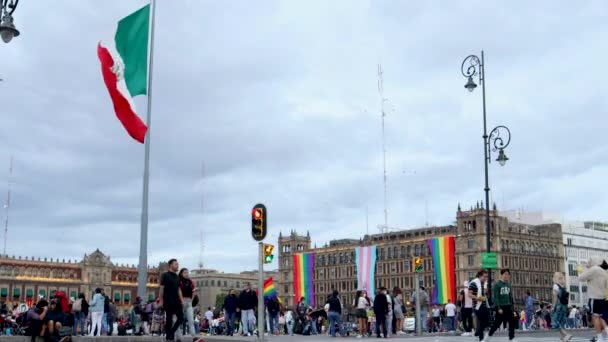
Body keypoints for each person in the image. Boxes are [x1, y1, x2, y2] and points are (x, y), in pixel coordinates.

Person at [578, 257, 608, 342]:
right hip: (603, 297)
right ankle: (604, 336)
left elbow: (581, 278)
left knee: (595, 317)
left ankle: (600, 338)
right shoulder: (604, 271)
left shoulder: (594, 269)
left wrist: (583, 267)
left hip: (594, 297)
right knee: (602, 318)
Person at [486, 269, 516, 341]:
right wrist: (498, 308)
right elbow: (496, 297)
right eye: (505, 274)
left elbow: (510, 296)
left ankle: (511, 338)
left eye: (508, 274)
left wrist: (512, 306)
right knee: (497, 324)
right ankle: (488, 337)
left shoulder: (508, 284)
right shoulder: (497, 284)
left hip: (508, 306)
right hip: (501, 307)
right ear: (501, 274)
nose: (506, 276)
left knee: (512, 322)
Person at [160, 258, 185, 341]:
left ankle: (171, 332)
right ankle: (169, 336)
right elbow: (162, 288)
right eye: (176, 264)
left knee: (181, 318)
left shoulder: (177, 277)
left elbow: (179, 289)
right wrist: (161, 300)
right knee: (169, 319)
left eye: (178, 264)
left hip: (176, 300)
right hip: (168, 299)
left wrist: (182, 300)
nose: (177, 266)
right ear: (170, 265)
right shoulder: (165, 275)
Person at [469, 270, 489, 342]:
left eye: (486, 277)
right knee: (481, 321)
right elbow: (469, 294)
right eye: (484, 276)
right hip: (477, 305)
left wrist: (485, 289)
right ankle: (481, 337)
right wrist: (477, 298)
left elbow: (484, 293)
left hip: (484, 304)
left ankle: (479, 335)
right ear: (480, 276)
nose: (486, 278)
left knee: (485, 321)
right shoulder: (474, 283)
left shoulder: (483, 283)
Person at [552, 271, 572, 342]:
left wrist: (553, 306)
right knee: (562, 323)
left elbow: (555, 297)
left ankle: (566, 334)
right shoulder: (563, 286)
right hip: (564, 307)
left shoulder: (555, 285)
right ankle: (563, 339)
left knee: (555, 322)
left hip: (558, 306)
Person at [178, 268, 197, 338]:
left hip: (189, 302)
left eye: (187, 272)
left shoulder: (190, 282)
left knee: (191, 320)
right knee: (179, 320)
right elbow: (179, 290)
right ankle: (178, 337)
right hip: (181, 302)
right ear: (181, 274)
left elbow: (193, 290)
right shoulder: (179, 281)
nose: (187, 274)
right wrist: (182, 300)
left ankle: (194, 336)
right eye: (185, 272)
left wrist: (191, 300)